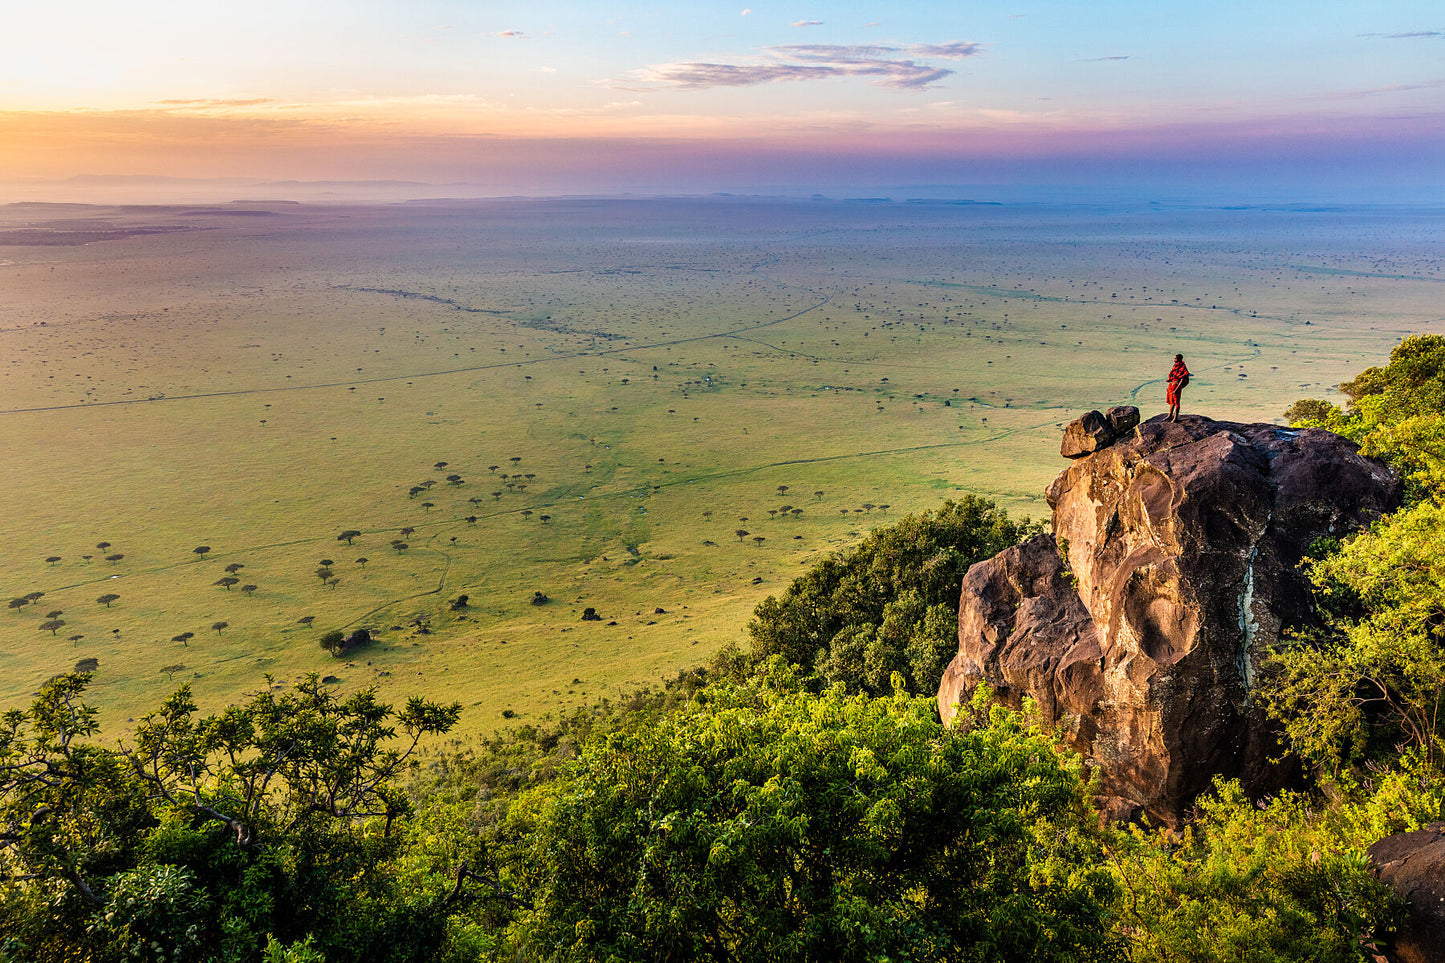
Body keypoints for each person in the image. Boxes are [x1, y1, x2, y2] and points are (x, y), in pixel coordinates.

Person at [1166, 354, 1190, 421]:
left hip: (1176, 385)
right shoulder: (1175, 365)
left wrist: (1177, 389)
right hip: (1172, 384)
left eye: (1175, 359)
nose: (1174, 360)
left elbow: (1182, 378)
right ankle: (1170, 415)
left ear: (1180, 359)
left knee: (1176, 402)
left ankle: (1175, 418)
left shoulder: (1182, 366)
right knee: (1171, 401)